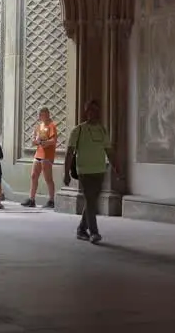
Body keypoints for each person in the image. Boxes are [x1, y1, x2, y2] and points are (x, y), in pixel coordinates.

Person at [64, 100, 122, 244]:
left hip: (99, 171)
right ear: (86, 112)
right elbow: (69, 153)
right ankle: (94, 232)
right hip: (84, 171)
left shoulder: (102, 130)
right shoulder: (78, 130)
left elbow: (109, 151)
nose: (93, 113)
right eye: (90, 110)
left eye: (95, 110)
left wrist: (117, 169)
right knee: (90, 200)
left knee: (91, 202)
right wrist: (66, 173)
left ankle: (81, 228)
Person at [21, 107, 59, 208]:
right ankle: (31, 199)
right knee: (34, 175)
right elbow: (33, 140)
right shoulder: (39, 126)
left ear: (47, 114)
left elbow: (54, 140)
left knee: (48, 178)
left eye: (41, 114)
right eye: (39, 114)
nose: (39, 116)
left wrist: (44, 142)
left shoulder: (52, 126)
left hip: (47, 155)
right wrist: (35, 141)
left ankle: (51, 200)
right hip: (38, 153)